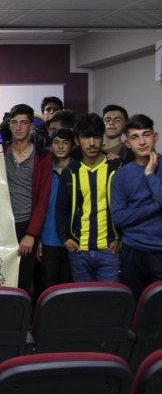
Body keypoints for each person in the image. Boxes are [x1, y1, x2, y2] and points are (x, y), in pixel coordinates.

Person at [56, 113, 121, 283]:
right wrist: (65, 238)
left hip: (110, 249)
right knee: (84, 297)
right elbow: (61, 208)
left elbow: (127, 205)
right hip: (79, 250)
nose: (92, 143)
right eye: (86, 137)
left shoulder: (116, 168)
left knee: (111, 297)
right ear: (77, 140)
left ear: (102, 138)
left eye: (96, 137)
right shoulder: (70, 172)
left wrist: (120, 238)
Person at [111, 114, 162, 299]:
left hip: (160, 249)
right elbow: (118, 218)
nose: (141, 142)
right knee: (133, 304)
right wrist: (155, 207)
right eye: (134, 137)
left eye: (146, 134)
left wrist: (149, 174)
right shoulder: (121, 175)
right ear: (128, 143)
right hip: (132, 250)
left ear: (155, 137)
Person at [4, 104, 53, 293]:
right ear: (9, 125)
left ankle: (23, 313)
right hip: (3, 226)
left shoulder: (43, 156)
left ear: (31, 126)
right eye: (14, 122)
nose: (18, 127)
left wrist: (32, 234)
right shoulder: (1, 152)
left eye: (23, 123)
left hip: (27, 225)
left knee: (23, 281)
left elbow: (43, 198)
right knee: (3, 280)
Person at [37, 128, 74, 288]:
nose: (60, 147)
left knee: (69, 286)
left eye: (65, 143)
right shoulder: (44, 170)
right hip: (48, 237)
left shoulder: (78, 169)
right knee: (50, 286)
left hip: (72, 238)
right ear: (50, 146)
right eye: (56, 142)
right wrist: (38, 238)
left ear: (72, 145)